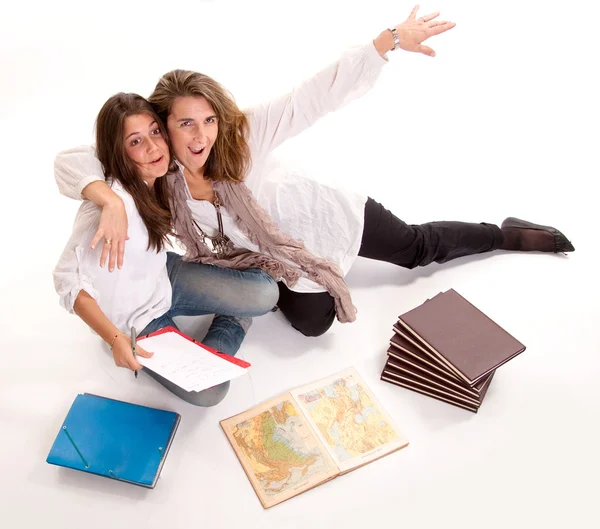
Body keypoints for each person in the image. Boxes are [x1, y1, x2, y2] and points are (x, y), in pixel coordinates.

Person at [55, 6, 574, 339]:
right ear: (163, 127)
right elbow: (74, 159)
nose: (200, 137)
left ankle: (502, 233)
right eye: (185, 124)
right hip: (278, 260)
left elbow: (312, 96)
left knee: (417, 250)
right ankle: (282, 285)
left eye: (208, 120)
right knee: (313, 326)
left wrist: (387, 40)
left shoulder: (243, 136)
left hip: (327, 217)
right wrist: (106, 198)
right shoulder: (155, 172)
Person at [53, 93, 279, 406]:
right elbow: (68, 282)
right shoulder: (107, 210)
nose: (153, 147)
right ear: (117, 151)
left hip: (165, 278)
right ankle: (232, 322)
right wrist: (115, 339)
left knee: (266, 294)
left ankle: (233, 315)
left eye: (155, 132)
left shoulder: (160, 169)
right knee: (209, 392)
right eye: (135, 141)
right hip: (135, 324)